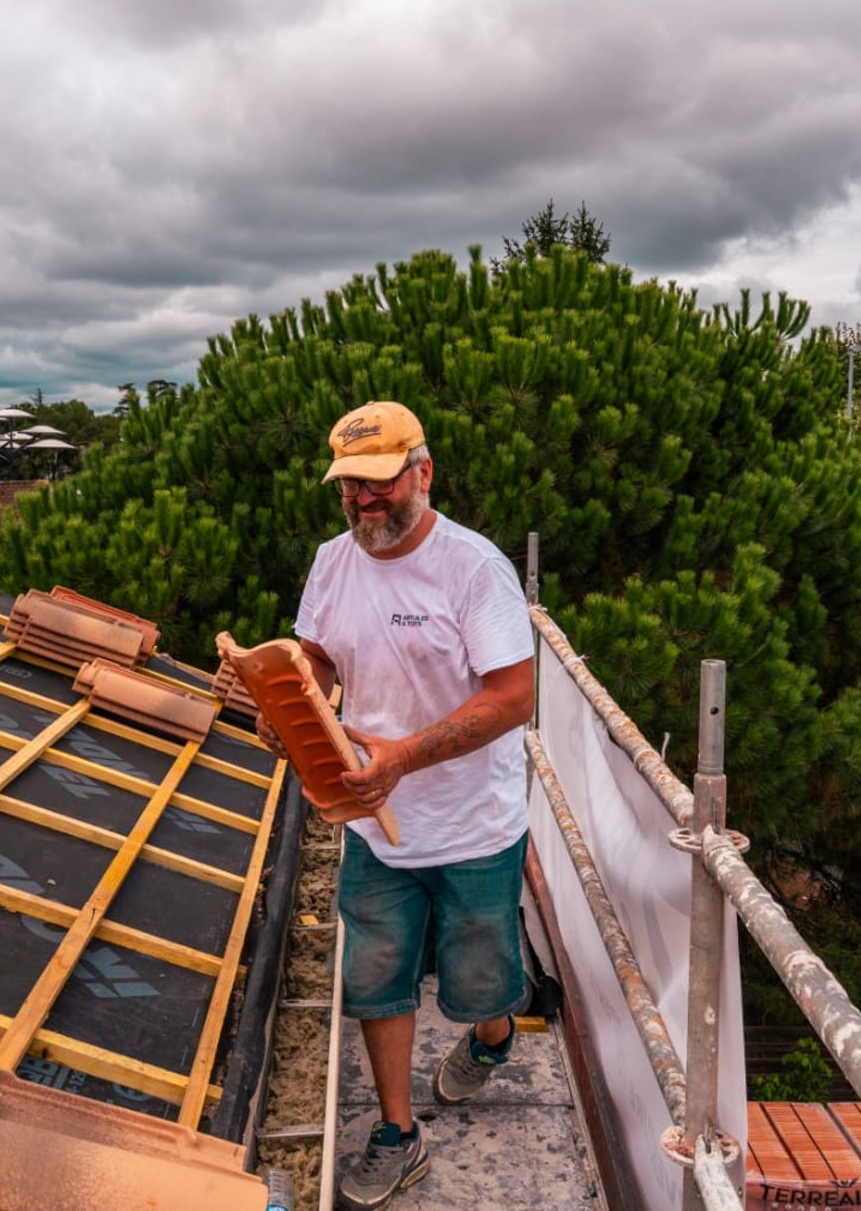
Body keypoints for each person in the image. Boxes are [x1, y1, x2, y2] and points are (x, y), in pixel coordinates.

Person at [286, 400, 535, 1210]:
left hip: (472, 826)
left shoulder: (474, 568)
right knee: (375, 978)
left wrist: (403, 757)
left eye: (379, 483)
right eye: (349, 487)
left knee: (478, 982)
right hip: (377, 826)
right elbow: (316, 657)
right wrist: (291, 704)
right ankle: (399, 1134)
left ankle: (493, 1034)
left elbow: (514, 697)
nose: (364, 501)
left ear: (423, 473)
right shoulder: (334, 561)